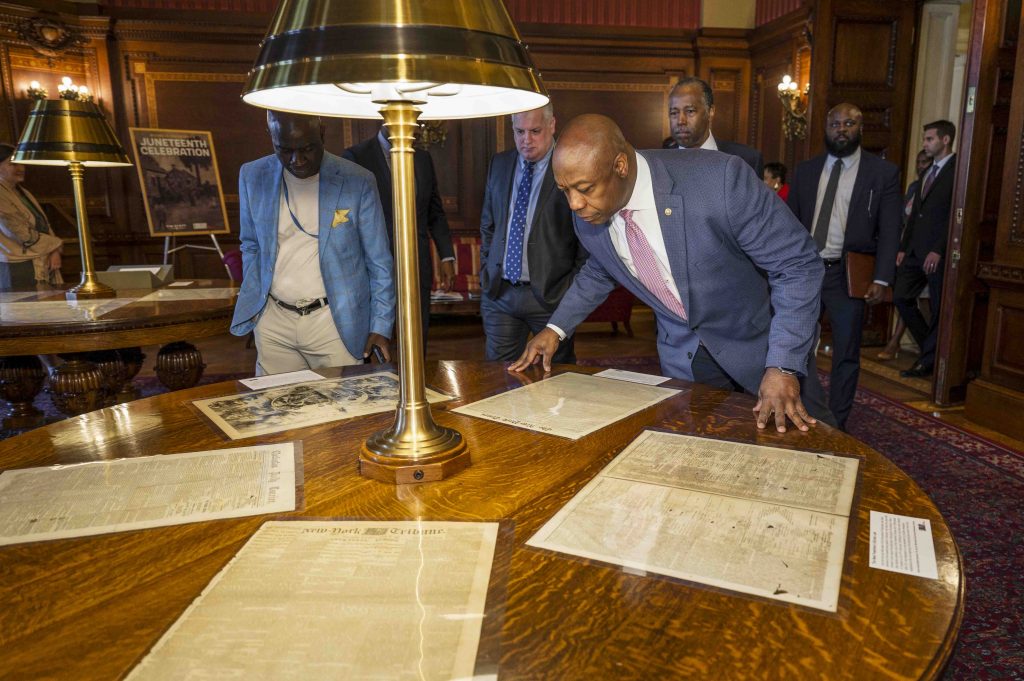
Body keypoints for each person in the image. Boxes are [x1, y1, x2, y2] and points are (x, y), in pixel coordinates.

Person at [511, 114, 835, 433]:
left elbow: (796, 265)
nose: (574, 204)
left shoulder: (719, 179)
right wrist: (555, 328)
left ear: (620, 166)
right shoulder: (592, 211)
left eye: (583, 188)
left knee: (810, 451)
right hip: (685, 361)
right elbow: (600, 268)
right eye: (564, 190)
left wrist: (782, 365)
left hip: (761, 350)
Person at [230, 111, 395, 376]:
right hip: (273, 321)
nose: (297, 160)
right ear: (271, 138)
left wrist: (380, 325)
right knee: (277, 412)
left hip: (333, 323)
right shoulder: (252, 175)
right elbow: (251, 244)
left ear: (322, 133)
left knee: (339, 413)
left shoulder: (357, 180)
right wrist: (258, 306)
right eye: (285, 150)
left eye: (307, 148)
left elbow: (379, 261)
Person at [786, 103, 901, 430]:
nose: (841, 129)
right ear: (826, 127)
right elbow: (790, 222)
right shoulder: (807, 170)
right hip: (805, 271)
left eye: (848, 123)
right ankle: (800, 406)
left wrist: (881, 278)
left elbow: (891, 229)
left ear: (860, 129)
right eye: (834, 123)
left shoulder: (881, 173)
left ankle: (836, 424)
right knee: (794, 344)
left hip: (845, 275)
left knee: (846, 353)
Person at [478, 103, 587, 363]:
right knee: (496, 378)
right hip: (500, 294)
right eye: (519, 131)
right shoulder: (500, 163)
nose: (526, 140)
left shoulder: (571, 165)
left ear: (551, 125)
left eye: (535, 131)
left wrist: (569, 292)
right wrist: (486, 269)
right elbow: (488, 224)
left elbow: (585, 239)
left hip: (551, 297)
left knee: (556, 378)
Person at [343, 125, 456, 350]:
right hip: (373, 271)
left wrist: (446, 256)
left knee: (416, 341)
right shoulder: (356, 157)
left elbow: (435, 212)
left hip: (417, 267)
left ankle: (414, 384)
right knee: (375, 344)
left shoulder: (423, 158)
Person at [895, 121, 957, 378]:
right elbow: (915, 214)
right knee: (901, 297)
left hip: (936, 253)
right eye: (925, 139)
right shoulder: (927, 171)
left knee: (938, 307)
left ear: (945, 140)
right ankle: (928, 350)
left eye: (929, 139)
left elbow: (955, 216)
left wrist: (940, 249)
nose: (925, 144)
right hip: (913, 251)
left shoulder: (957, 170)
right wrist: (903, 247)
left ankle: (930, 359)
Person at [877, 149, 933, 361]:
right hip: (906, 252)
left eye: (925, 162)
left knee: (923, 301)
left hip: (926, 254)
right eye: (918, 162)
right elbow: (904, 219)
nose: (920, 166)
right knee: (904, 297)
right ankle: (901, 342)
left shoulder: (938, 186)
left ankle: (925, 348)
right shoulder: (913, 188)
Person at [668, 77, 764, 178]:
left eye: (690, 111)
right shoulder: (656, 164)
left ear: (710, 111)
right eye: (674, 113)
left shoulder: (747, 159)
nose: (680, 121)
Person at [0, 143, 62, 289]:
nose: (20, 168)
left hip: (39, 259)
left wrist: (54, 250)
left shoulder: (22, 192)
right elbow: (19, 232)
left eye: (22, 163)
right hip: (18, 265)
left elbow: (44, 224)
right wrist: (54, 245)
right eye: (13, 164)